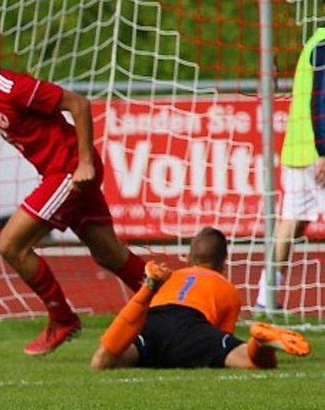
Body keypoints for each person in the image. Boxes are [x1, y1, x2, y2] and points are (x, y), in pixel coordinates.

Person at [0, 20, 148, 355]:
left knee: (10, 244)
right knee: (109, 253)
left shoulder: (15, 87)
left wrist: (85, 163)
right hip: (61, 173)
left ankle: (62, 318)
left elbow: (79, 104)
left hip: (69, 171)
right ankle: (173, 300)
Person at [91, 227, 311, 370]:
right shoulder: (227, 288)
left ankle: (146, 290)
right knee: (246, 359)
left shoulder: (173, 276)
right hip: (193, 327)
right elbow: (222, 336)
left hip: (153, 322)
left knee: (102, 362)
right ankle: (260, 342)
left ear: (188, 258)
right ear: (223, 262)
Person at [255, 21, 325, 316]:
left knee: (291, 223)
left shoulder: (315, 40)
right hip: (316, 151)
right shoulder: (323, 45)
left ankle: (264, 298)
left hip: (297, 149)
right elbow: (321, 99)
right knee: (289, 223)